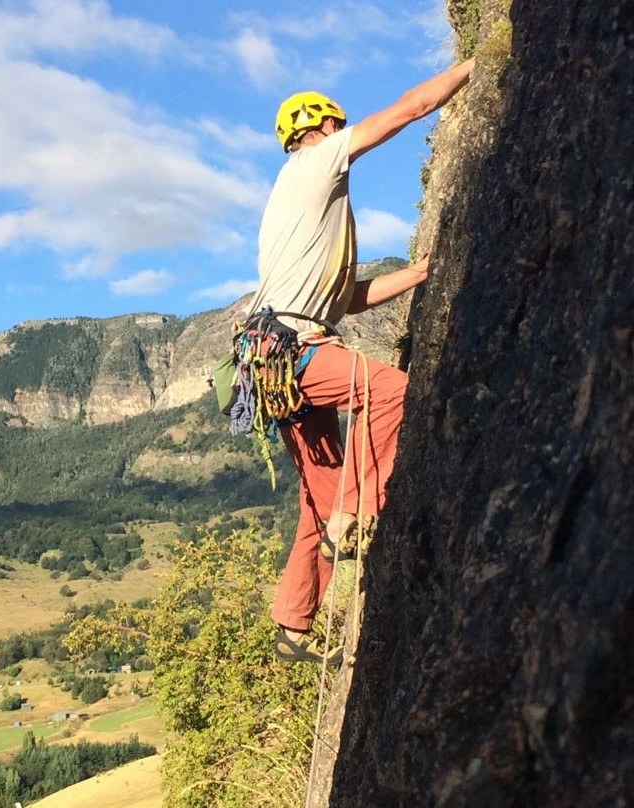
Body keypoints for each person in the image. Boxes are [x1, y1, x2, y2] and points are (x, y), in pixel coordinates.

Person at [248, 59, 475, 664]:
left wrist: (417, 274)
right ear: (320, 126)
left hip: (275, 361)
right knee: (393, 393)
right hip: (295, 351)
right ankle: (351, 514)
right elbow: (410, 109)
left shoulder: (305, 211)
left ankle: (293, 623)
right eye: (334, 126)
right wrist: (476, 64)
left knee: (315, 501)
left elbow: (346, 299)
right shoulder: (313, 164)